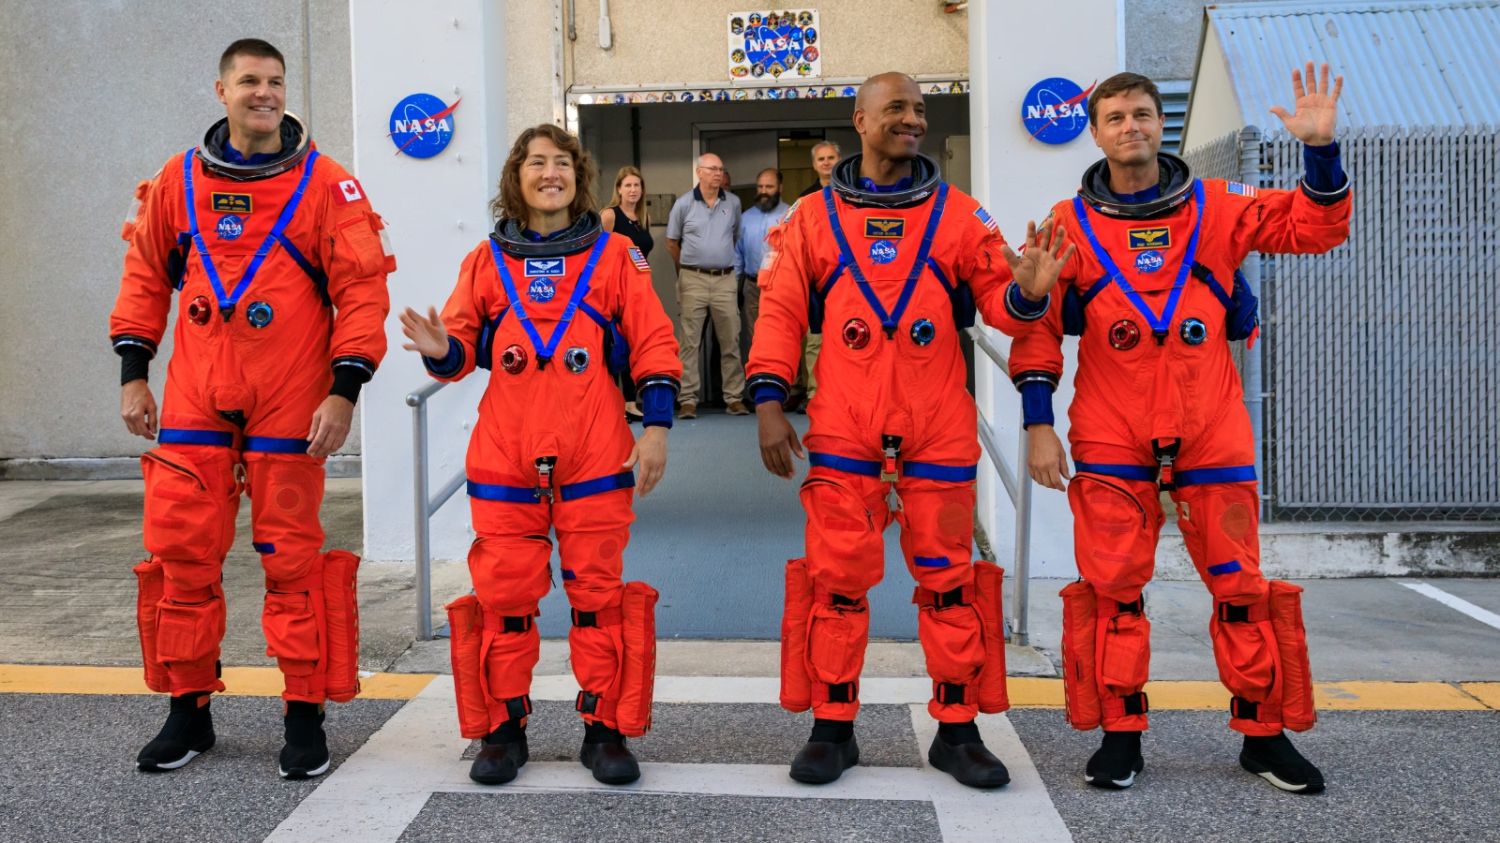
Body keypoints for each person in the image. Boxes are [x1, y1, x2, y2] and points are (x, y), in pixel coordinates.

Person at [1002, 65, 1350, 794]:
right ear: (1094, 133)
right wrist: (1039, 426)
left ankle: (1263, 734)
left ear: (1160, 123)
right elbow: (1033, 332)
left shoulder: (1219, 208)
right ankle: (1121, 734)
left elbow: (1315, 228)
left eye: (1142, 113)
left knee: (1240, 586)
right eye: (1116, 117)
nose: (1130, 126)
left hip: (1210, 427)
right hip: (1110, 432)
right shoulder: (1065, 225)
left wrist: (1321, 152)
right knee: (1113, 589)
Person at [746, 72, 1072, 789]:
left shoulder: (961, 215)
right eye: (897, 108)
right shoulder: (808, 218)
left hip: (937, 429)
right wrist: (768, 400)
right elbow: (778, 313)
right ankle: (833, 729)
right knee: (836, 584)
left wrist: (1029, 291)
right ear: (858, 120)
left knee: (950, 582)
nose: (913, 120)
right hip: (845, 428)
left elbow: (1002, 309)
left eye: (920, 110)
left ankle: (957, 731)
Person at [111, 38, 394, 779]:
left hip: (291, 403)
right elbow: (145, 275)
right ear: (221, 90)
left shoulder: (329, 185)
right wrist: (134, 374)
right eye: (248, 81)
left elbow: (362, 295)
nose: (263, 93)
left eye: (274, 82)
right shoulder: (177, 181)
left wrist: (345, 390)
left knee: (293, 561)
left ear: (285, 90)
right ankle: (187, 711)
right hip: (198, 397)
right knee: (181, 557)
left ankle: (304, 714)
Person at [400, 124, 681, 787]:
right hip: (506, 456)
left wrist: (658, 427)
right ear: (515, 177)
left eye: (561, 162)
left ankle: (603, 728)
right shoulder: (485, 261)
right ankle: (503, 729)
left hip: (594, 454)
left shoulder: (615, 257)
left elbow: (653, 343)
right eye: (535, 162)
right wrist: (442, 346)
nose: (548, 172)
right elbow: (460, 351)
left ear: (578, 176)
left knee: (598, 600)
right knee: (504, 601)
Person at [666, 153, 747, 418]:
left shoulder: (733, 203)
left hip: (725, 279)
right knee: (690, 342)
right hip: (693, 279)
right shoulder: (683, 204)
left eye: (721, 170)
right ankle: (688, 399)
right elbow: (672, 243)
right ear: (699, 172)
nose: (718, 174)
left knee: (730, 341)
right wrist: (688, 271)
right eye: (712, 169)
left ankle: (734, 398)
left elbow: (735, 237)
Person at [789, 140, 840, 409]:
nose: (826, 163)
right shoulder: (804, 200)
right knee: (815, 341)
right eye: (821, 159)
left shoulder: (854, 193)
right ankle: (815, 395)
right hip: (816, 280)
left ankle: (843, 394)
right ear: (814, 165)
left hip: (848, 278)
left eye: (831, 157)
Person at [601, 166, 654, 420]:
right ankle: (611, 401)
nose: (633, 190)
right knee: (614, 345)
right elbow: (596, 255)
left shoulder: (643, 217)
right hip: (614, 290)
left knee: (635, 345)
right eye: (628, 186)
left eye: (637, 186)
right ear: (619, 189)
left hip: (638, 288)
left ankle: (631, 401)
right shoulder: (609, 216)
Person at [734, 167, 791, 340]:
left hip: (782, 286)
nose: (764, 192)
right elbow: (738, 255)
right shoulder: (745, 217)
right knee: (757, 338)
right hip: (752, 287)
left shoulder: (791, 215)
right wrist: (734, 289)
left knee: (783, 336)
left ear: (780, 188)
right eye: (760, 187)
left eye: (769, 187)